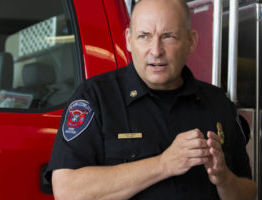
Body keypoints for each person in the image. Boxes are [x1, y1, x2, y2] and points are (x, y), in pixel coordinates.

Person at [47, 0, 257, 199]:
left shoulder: (217, 102)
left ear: (191, 41)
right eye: (144, 36)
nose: (156, 51)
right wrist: (163, 164)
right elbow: (67, 191)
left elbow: (249, 192)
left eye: (168, 36)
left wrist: (224, 179)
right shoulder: (95, 98)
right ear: (129, 40)